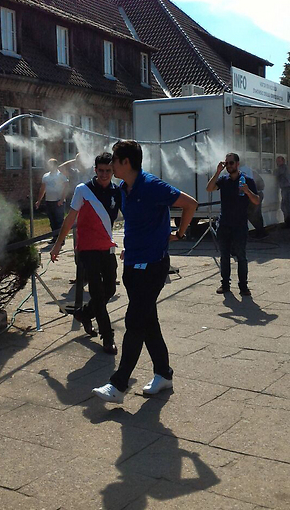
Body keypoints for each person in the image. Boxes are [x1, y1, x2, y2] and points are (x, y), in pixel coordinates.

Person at [92, 140, 197, 403]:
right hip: (133, 264)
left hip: (153, 265)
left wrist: (180, 233)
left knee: (134, 321)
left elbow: (190, 203)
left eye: (115, 160)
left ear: (126, 162)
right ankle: (164, 373)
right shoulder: (124, 189)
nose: (111, 165)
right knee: (148, 321)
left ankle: (118, 384)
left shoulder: (151, 185)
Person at [50, 152, 121, 354]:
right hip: (87, 250)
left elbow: (130, 218)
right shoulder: (84, 190)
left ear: (113, 171)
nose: (104, 174)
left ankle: (83, 313)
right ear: (95, 170)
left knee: (110, 290)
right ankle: (108, 338)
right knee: (98, 293)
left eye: (108, 171)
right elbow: (70, 219)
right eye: (101, 171)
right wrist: (57, 245)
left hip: (107, 248)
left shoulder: (118, 192)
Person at [206, 153, 259, 296]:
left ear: (237, 164)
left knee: (241, 256)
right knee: (224, 256)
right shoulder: (223, 180)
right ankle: (225, 285)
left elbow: (257, 201)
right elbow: (209, 188)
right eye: (226, 163)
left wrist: (247, 191)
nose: (228, 166)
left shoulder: (246, 180)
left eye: (231, 163)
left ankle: (243, 286)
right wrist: (217, 171)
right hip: (224, 224)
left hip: (240, 225)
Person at [35, 158, 68, 242]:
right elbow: (42, 189)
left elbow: (66, 188)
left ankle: (61, 239)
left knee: (59, 220)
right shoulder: (46, 176)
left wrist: (62, 199)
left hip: (58, 201)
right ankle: (54, 237)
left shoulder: (61, 175)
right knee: (52, 220)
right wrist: (39, 200)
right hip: (49, 201)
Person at [275, 156, 290, 228]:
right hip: (285, 188)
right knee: (284, 206)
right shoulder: (283, 167)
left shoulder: (283, 167)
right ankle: (288, 221)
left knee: (286, 206)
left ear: (283, 161)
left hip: (286, 188)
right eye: (277, 161)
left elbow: (277, 173)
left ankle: (289, 222)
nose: (277, 162)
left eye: (279, 161)